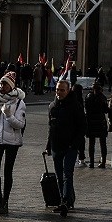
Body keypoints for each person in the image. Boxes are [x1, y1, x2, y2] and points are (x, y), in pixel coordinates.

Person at [0, 71, 26, 214]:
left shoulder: (19, 102)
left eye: (6, 84)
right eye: (1, 83)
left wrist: (8, 116)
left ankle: (5, 201)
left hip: (12, 142)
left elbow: (20, 124)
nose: (2, 86)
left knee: (7, 171)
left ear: (11, 86)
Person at [45, 79, 86, 213]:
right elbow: (51, 128)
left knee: (67, 174)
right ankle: (64, 199)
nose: (59, 92)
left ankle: (66, 202)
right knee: (58, 175)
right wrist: (48, 146)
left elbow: (82, 128)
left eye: (62, 90)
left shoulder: (75, 106)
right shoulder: (52, 106)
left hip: (70, 146)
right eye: (57, 89)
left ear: (68, 91)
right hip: (56, 145)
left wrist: (75, 145)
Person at [84, 80, 110, 168]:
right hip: (100, 121)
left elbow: (86, 109)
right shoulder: (102, 97)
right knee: (103, 143)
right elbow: (106, 110)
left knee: (91, 143)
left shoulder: (88, 96)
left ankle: (91, 162)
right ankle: (103, 162)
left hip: (91, 121)